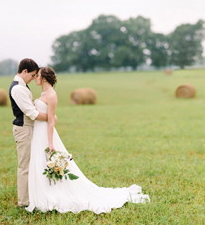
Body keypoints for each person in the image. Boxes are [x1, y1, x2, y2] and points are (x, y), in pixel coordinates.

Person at [26, 67, 150, 214]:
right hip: (38, 132)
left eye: (38, 75)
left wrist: (51, 143)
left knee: (48, 162)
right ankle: (41, 193)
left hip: (46, 134)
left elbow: (51, 121)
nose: (35, 78)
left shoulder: (52, 95)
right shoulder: (43, 93)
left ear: (44, 78)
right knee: (39, 162)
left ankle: (50, 195)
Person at [9, 58, 51, 208]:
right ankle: (24, 201)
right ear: (25, 71)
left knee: (33, 164)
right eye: (33, 75)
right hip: (24, 129)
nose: (34, 79)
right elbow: (31, 113)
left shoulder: (23, 86)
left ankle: (34, 196)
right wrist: (50, 118)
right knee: (24, 166)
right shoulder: (18, 89)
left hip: (30, 128)